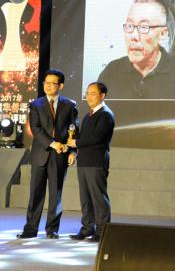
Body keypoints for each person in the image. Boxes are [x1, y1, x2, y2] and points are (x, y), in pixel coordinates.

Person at [97, 0, 175, 99]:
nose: (134, 36)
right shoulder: (111, 72)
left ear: (162, 34)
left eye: (144, 27)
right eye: (130, 26)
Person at [17, 69, 78, 239]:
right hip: (40, 154)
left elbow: (74, 130)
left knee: (55, 194)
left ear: (61, 85)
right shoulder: (36, 104)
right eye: (46, 83)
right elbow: (35, 129)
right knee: (35, 193)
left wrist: (73, 150)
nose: (48, 86)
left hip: (60, 155)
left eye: (53, 83)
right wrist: (53, 143)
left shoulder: (70, 105)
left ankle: (52, 230)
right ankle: (30, 229)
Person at [67, 82, 115, 242]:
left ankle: (102, 231)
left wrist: (76, 143)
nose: (88, 96)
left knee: (98, 198)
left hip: (96, 162)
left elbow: (96, 138)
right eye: (87, 93)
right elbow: (80, 136)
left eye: (93, 93)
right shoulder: (89, 115)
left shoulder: (106, 114)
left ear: (102, 96)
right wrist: (73, 148)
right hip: (84, 161)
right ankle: (87, 228)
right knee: (85, 197)